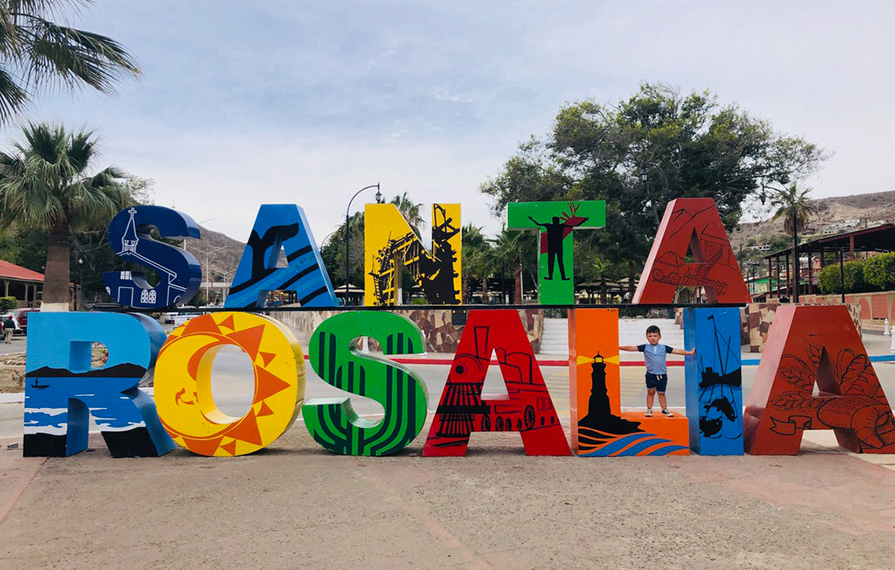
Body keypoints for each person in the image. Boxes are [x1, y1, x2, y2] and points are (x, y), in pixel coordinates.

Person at [620, 325, 694, 417]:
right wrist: (619, 347)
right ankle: (649, 409)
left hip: (662, 375)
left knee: (661, 393)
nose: (653, 338)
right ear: (647, 337)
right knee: (650, 392)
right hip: (651, 375)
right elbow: (631, 348)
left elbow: (677, 351)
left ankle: (664, 409)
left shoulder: (664, 347)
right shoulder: (645, 347)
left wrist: (689, 353)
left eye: (655, 336)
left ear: (659, 337)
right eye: (650, 336)